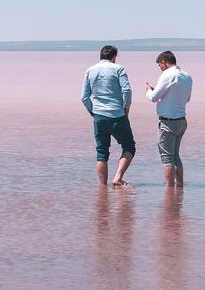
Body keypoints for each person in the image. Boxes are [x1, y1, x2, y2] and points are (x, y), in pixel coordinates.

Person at [81, 45, 135, 186]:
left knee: (101, 152)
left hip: (99, 117)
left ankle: (103, 188)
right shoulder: (118, 69)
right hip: (117, 114)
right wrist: (126, 108)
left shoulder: (89, 70)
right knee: (129, 147)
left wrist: (93, 111)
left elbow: (84, 97)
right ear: (114, 56)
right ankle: (117, 178)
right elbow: (127, 91)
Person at [144, 50, 193, 187]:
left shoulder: (167, 75)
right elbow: (187, 98)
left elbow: (153, 98)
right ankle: (180, 187)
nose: (160, 68)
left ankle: (169, 191)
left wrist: (148, 90)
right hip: (182, 121)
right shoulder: (187, 76)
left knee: (166, 158)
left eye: (159, 65)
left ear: (164, 63)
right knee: (175, 155)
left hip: (168, 122)